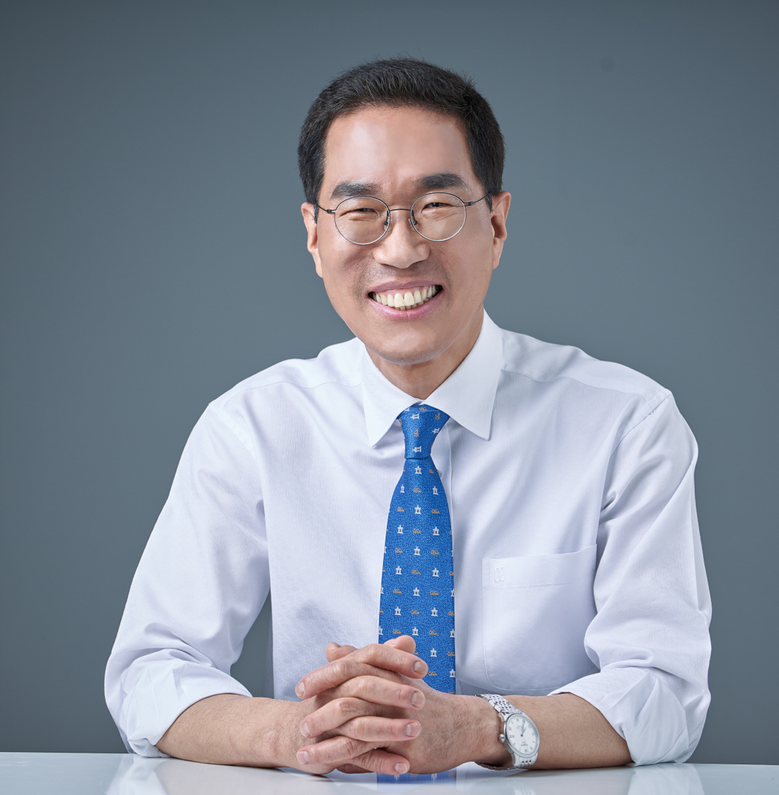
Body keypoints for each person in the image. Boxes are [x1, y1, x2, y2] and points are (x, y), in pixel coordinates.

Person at [105, 58, 711, 776]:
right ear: (314, 235)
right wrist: (301, 732)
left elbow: (665, 694)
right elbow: (150, 671)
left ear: (496, 224)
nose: (400, 249)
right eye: (361, 212)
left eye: (437, 206)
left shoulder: (625, 424)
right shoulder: (252, 427)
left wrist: (478, 726)